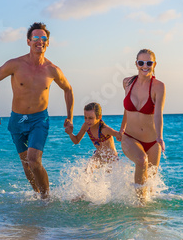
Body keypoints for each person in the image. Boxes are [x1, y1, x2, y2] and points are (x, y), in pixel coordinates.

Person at [0, 22, 74, 199]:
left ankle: (46, 198)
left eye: (43, 38)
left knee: (34, 160)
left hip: (39, 120)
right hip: (17, 120)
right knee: (26, 164)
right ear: (28, 41)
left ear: (47, 43)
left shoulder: (52, 70)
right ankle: (37, 195)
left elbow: (68, 89)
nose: (39, 41)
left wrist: (69, 117)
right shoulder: (15, 64)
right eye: (36, 38)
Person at [120, 48, 166, 201]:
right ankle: (139, 207)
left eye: (148, 63)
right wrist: (121, 129)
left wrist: (159, 137)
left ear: (154, 64)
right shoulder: (127, 83)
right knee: (141, 160)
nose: (144, 66)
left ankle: (149, 220)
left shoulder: (159, 86)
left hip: (153, 142)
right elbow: (127, 109)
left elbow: (158, 113)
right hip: (130, 137)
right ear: (136, 64)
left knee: (150, 187)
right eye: (141, 62)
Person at [65, 102, 121, 167]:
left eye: (90, 118)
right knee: (89, 167)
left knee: (109, 174)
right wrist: (70, 133)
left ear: (99, 117)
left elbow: (119, 134)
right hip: (99, 155)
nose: (87, 120)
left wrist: (121, 135)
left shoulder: (104, 129)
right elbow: (76, 141)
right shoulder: (86, 126)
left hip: (111, 158)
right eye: (85, 117)